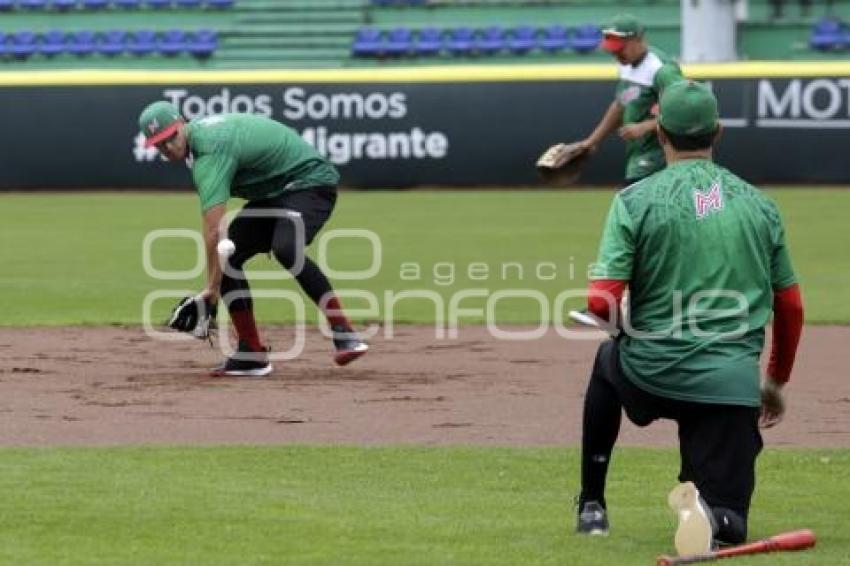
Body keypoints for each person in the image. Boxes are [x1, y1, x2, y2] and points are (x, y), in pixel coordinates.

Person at [574, 81, 804, 554]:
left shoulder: (634, 200)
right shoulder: (761, 205)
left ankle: (592, 504)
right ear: (717, 132)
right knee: (730, 524)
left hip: (652, 370)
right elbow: (791, 305)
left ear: (659, 133)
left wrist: (623, 331)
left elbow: (600, 301)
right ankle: (709, 507)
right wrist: (775, 382)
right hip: (732, 385)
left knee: (605, 361)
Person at [138, 101, 368, 377]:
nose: (168, 148)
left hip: (310, 182)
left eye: (171, 137)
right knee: (229, 258)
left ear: (183, 124)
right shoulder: (199, 145)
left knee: (285, 248)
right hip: (275, 193)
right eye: (160, 145)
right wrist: (213, 283)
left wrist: (210, 290)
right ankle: (251, 353)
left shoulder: (209, 150)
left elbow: (213, 229)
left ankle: (345, 332)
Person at [541, 14, 683, 185]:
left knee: (630, 206)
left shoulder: (662, 68)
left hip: (661, 155)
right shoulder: (627, 64)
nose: (616, 55)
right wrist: (590, 142)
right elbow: (620, 105)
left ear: (637, 40)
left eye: (620, 49)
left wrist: (646, 126)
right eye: (612, 50)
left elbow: (685, 110)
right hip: (638, 153)